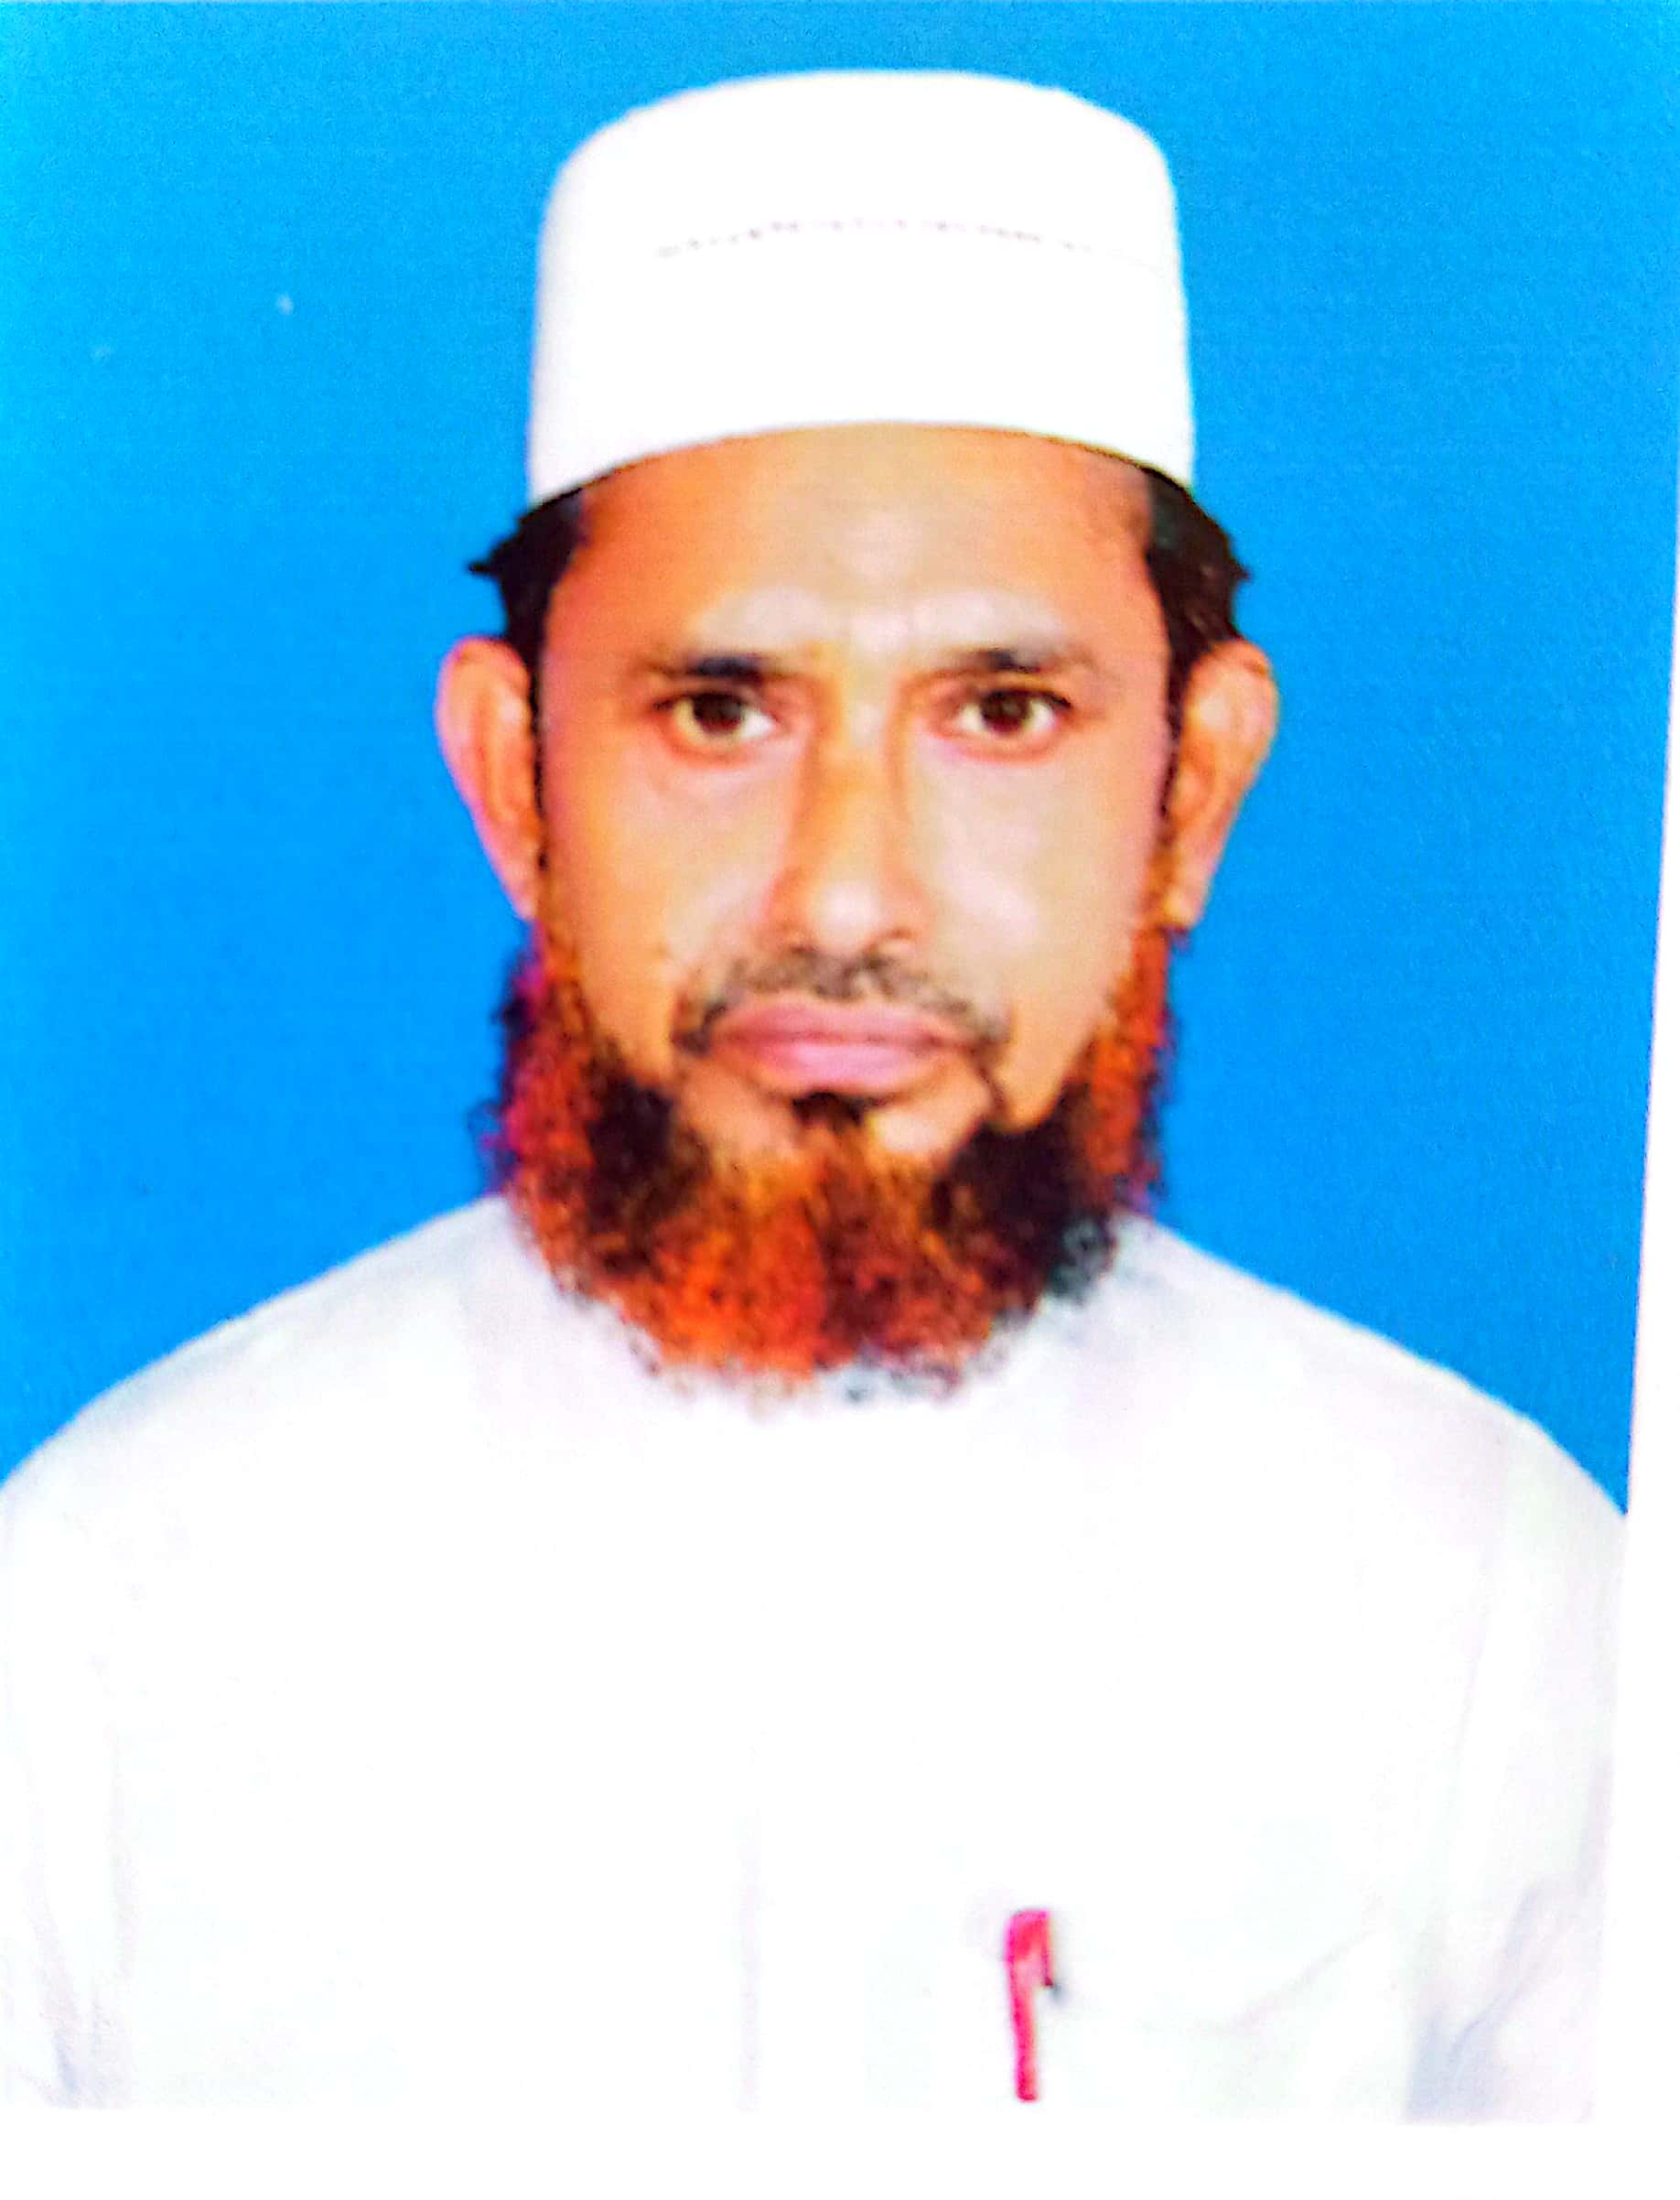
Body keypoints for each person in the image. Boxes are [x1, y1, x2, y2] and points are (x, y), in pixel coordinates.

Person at [0, 70, 1621, 2114]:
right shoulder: (101, 1611)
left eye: (1002, 713)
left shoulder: (1496, 1609)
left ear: (1192, 790)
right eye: (718, 711)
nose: (846, 893)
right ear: (516, 782)